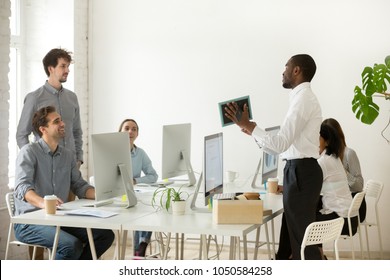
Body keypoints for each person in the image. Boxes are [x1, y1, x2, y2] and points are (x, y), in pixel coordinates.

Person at [225, 54, 323, 260]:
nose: (283, 71)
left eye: (286, 66)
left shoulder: (303, 99)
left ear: (297, 70)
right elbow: (279, 147)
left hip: (301, 173)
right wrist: (251, 130)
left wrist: (251, 126)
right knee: (294, 240)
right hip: (299, 172)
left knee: (303, 244)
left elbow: (280, 145)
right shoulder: (300, 98)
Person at [13, 106, 115, 260]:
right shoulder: (28, 152)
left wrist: (105, 193)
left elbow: (79, 186)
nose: (63, 124)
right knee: (70, 245)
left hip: (59, 218)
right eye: (56, 121)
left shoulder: (67, 155)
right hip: (29, 222)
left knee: (104, 235)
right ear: (43, 129)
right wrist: (43, 203)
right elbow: (22, 187)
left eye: (61, 120)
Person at [16, 48, 83, 168]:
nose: (67, 70)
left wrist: (79, 159)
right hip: (45, 167)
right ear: (51, 69)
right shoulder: (34, 98)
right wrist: (33, 160)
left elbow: (77, 132)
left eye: (68, 66)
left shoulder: (72, 98)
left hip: (71, 166)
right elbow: (22, 134)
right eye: (63, 66)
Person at [316, 121, 358, 259]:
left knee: (302, 218)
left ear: (326, 141)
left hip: (342, 220)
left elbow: (310, 186)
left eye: (318, 138)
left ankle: (315, 257)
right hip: (348, 218)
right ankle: (318, 256)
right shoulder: (334, 158)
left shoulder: (324, 162)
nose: (315, 142)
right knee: (313, 208)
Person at [118, 119, 158, 257]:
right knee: (140, 207)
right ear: (120, 132)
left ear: (137, 134)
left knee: (148, 205)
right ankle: (139, 249)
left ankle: (140, 247)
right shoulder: (113, 151)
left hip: (134, 194)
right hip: (117, 195)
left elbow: (153, 176)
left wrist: (135, 180)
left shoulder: (140, 153)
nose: (130, 131)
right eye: (127, 128)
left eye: (134, 129)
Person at [322, 118, 366, 222]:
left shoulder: (349, 153)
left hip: (355, 207)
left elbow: (359, 186)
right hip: (340, 204)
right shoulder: (327, 158)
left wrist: (343, 172)